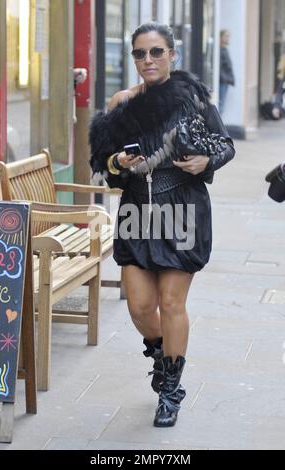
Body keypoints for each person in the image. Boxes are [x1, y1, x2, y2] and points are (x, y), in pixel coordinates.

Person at [89, 22, 235, 428]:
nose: (148, 60)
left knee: (171, 303)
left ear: (172, 54)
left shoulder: (194, 99)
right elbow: (104, 166)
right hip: (137, 211)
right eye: (140, 53)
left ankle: (170, 390)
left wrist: (206, 161)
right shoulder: (122, 103)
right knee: (139, 307)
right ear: (133, 58)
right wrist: (117, 163)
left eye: (156, 52)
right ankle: (161, 355)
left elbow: (225, 145)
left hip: (182, 210)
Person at [219, 30, 235, 115]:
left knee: (221, 105)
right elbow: (220, 66)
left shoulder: (224, 49)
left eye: (228, 36)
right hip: (222, 81)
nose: (228, 38)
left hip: (224, 81)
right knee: (220, 106)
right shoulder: (220, 50)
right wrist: (225, 78)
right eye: (226, 36)